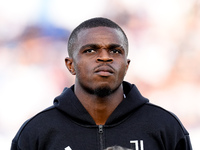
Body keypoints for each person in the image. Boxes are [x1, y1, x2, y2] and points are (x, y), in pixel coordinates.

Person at [11, 17, 192, 150]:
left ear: (126, 65)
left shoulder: (165, 126)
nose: (105, 57)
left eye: (115, 50)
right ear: (70, 65)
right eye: (90, 50)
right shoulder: (38, 131)